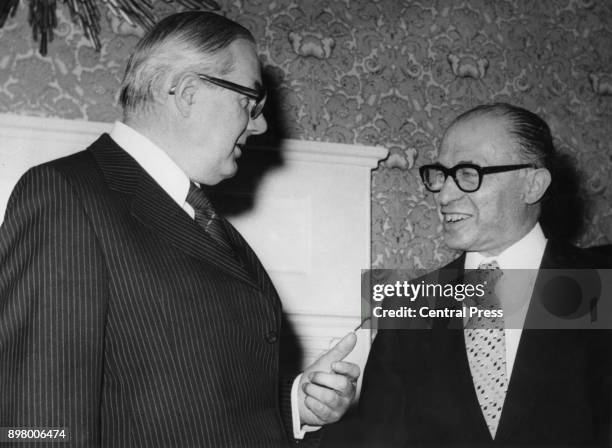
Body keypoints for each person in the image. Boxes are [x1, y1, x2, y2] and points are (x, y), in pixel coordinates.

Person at [0, 12, 360, 447]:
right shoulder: (67, 194)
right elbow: (34, 418)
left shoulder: (202, 218)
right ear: (189, 93)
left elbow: (187, 397)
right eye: (250, 102)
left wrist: (294, 403)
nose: (261, 124)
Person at [324, 102, 611, 447]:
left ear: (533, 185)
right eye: (441, 174)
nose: (444, 194)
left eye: (468, 174)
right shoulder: (412, 307)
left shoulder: (600, 286)